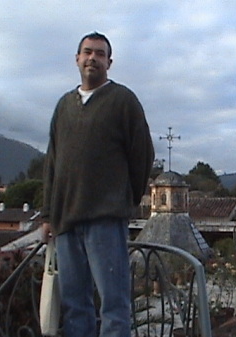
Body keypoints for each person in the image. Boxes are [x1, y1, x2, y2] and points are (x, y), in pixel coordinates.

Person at [41, 32, 154, 337]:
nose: (93, 58)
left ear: (109, 62)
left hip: (105, 220)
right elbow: (52, 161)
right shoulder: (63, 106)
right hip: (66, 223)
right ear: (77, 58)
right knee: (75, 307)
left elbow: (142, 155)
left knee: (114, 307)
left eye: (100, 54)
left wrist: (125, 200)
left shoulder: (123, 100)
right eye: (87, 52)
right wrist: (47, 215)